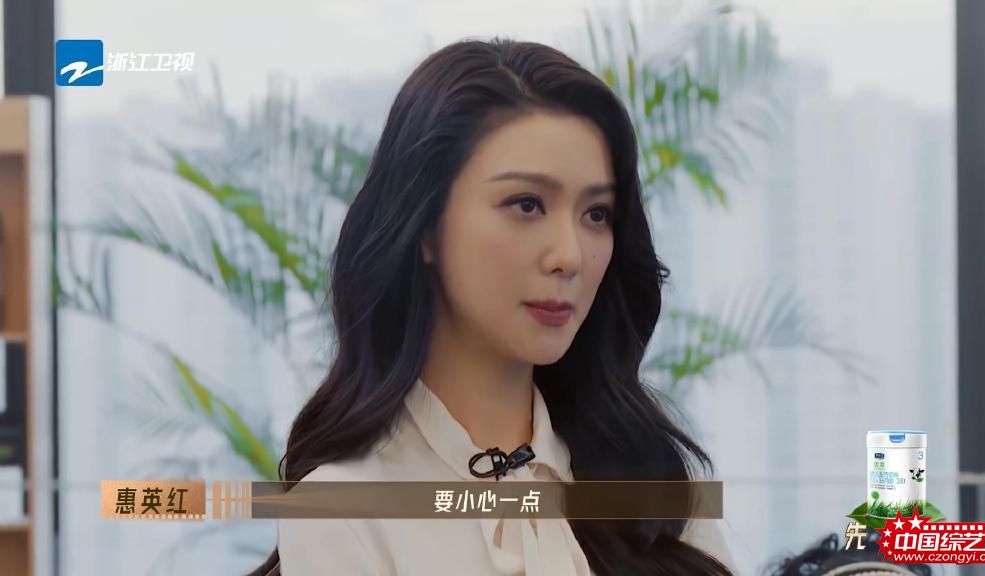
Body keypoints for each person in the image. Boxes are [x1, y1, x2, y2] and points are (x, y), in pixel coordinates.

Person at [249, 37, 736, 576]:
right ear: (425, 226)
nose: (570, 256)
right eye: (526, 204)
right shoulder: (342, 512)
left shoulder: (652, 490)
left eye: (597, 214)